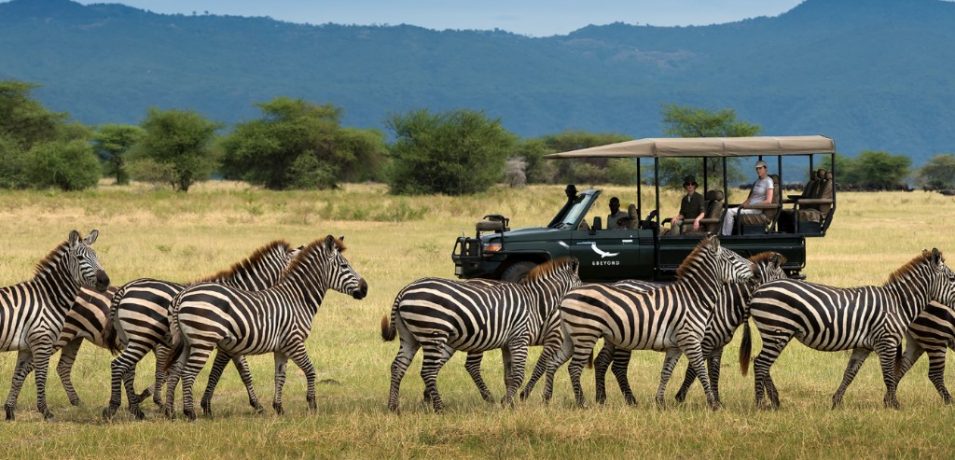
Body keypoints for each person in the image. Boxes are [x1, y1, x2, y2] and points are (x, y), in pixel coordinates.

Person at [721, 160, 774, 235]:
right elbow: (751, 198)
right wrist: (742, 206)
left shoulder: (769, 181)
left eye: (760, 168)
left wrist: (752, 206)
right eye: (757, 169)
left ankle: (726, 236)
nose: (758, 170)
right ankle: (720, 233)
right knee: (725, 211)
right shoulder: (758, 181)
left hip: (756, 209)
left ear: (765, 168)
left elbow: (769, 201)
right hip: (750, 207)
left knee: (729, 212)